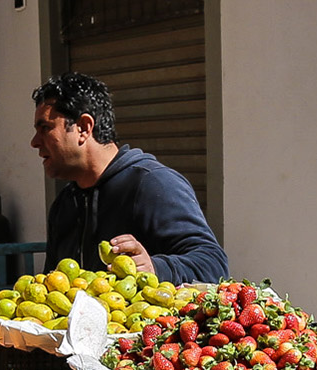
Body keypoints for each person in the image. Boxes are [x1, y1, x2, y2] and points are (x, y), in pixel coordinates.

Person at [32, 72, 227, 283]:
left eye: (45, 128)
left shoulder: (153, 184)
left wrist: (155, 267)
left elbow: (214, 265)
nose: (34, 142)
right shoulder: (64, 205)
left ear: (83, 128)